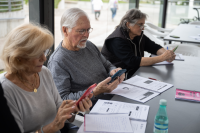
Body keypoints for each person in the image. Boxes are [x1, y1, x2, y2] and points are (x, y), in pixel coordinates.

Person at [0, 23, 92, 133]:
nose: (44, 58)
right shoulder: (6, 89)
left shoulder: (44, 72)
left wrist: (74, 110)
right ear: (19, 56)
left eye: (44, 51)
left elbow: (59, 109)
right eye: (37, 53)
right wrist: (53, 126)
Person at [47, 8, 125, 104]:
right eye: (81, 31)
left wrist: (114, 71)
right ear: (65, 30)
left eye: (88, 30)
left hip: (114, 95)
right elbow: (63, 100)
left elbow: (107, 65)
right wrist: (95, 92)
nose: (87, 35)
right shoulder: (58, 61)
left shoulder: (88, 45)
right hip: (93, 107)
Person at [101, 9, 176, 78]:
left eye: (143, 25)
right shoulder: (117, 40)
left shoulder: (137, 35)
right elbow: (133, 61)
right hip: (118, 78)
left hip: (135, 73)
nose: (143, 28)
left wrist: (167, 54)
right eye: (140, 25)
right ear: (128, 24)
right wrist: (162, 58)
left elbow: (154, 47)